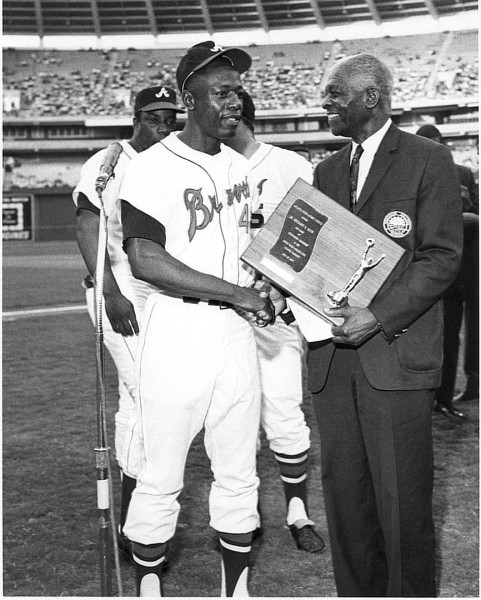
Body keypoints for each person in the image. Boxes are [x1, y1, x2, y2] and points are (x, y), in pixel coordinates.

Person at [118, 41, 276, 597]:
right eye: (222, 91)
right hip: (178, 330)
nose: (235, 100)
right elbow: (146, 258)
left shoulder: (238, 165)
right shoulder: (150, 167)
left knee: (239, 469)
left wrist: (264, 287)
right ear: (189, 98)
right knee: (161, 474)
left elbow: (247, 245)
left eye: (237, 90)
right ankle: (150, 588)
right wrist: (235, 290)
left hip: (236, 333)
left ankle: (237, 589)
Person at [309, 53, 463, 596]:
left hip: (394, 358)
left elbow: (442, 257)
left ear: (371, 97)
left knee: (401, 508)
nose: (325, 103)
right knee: (347, 505)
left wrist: (376, 316)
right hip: (332, 361)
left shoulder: (428, 159)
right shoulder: (325, 171)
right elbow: (315, 261)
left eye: (335, 94)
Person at [73, 85, 183, 561]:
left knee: (140, 402)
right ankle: (132, 516)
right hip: (116, 285)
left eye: (170, 117)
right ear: (136, 118)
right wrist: (110, 292)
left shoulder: (173, 163)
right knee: (146, 392)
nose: (164, 124)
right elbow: (87, 225)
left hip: (158, 290)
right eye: (155, 117)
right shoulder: (109, 160)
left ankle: (131, 511)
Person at [225, 90, 325, 554]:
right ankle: (241, 514)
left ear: (237, 114)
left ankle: (297, 512)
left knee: (284, 412)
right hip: (221, 315)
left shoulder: (288, 164)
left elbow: (316, 236)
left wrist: (282, 290)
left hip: (274, 312)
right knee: (231, 422)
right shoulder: (206, 166)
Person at [416, 124, 479, 417]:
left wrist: (466, 213)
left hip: (462, 266)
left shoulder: (463, 174)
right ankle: (431, 397)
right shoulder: (411, 174)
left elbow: (477, 215)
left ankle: (447, 397)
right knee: (434, 336)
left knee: (457, 334)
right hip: (431, 268)